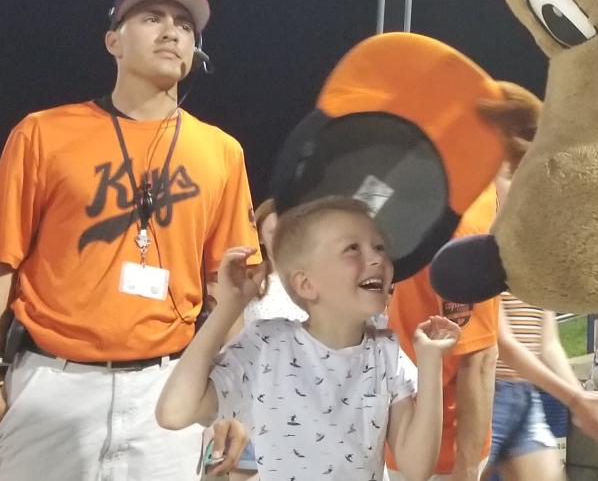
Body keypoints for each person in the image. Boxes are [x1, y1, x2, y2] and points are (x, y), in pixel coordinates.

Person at [0, 0, 257, 480]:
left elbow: (227, 288)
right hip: (52, 384)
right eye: (152, 18)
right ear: (113, 42)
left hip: (168, 391)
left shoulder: (222, 152)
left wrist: (230, 402)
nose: (172, 32)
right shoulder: (43, 133)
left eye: (185, 26)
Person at [157, 196, 460, 480]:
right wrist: (228, 309)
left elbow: (416, 467)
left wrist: (430, 360)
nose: (377, 259)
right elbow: (174, 412)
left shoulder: (386, 355)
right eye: (352, 248)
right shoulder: (267, 346)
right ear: (305, 284)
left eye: (380, 247)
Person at [486, 167, 598, 481]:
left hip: (525, 396)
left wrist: (581, 398)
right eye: (510, 174)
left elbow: (548, 343)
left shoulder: (535, 255)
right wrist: (574, 398)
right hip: (483, 396)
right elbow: (502, 343)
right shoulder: (481, 249)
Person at [386, 185, 502, 481]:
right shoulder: (412, 197)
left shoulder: (461, 226)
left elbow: (479, 359)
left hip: (437, 455)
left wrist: (465, 468)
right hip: (398, 431)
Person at [229, 198, 308, 481]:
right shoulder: (253, 286)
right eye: (274, 233)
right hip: (255, 415)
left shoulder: (320, 286)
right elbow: (232, 349)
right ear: (261, 237)